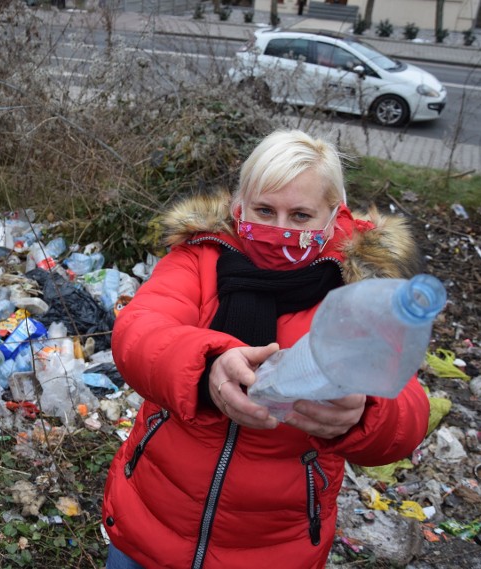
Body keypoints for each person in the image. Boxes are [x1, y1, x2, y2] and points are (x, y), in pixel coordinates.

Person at [101, 129, 430, 569]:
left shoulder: (362, 290)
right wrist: (207, 367)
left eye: (300, 216)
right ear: (240, 205)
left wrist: (365, 411)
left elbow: (407, 409)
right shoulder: (200, 256)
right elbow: (139, 332)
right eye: (263, 210)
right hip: (151, 521)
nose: (279, 230)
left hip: (276, 546)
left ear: (333, 214)